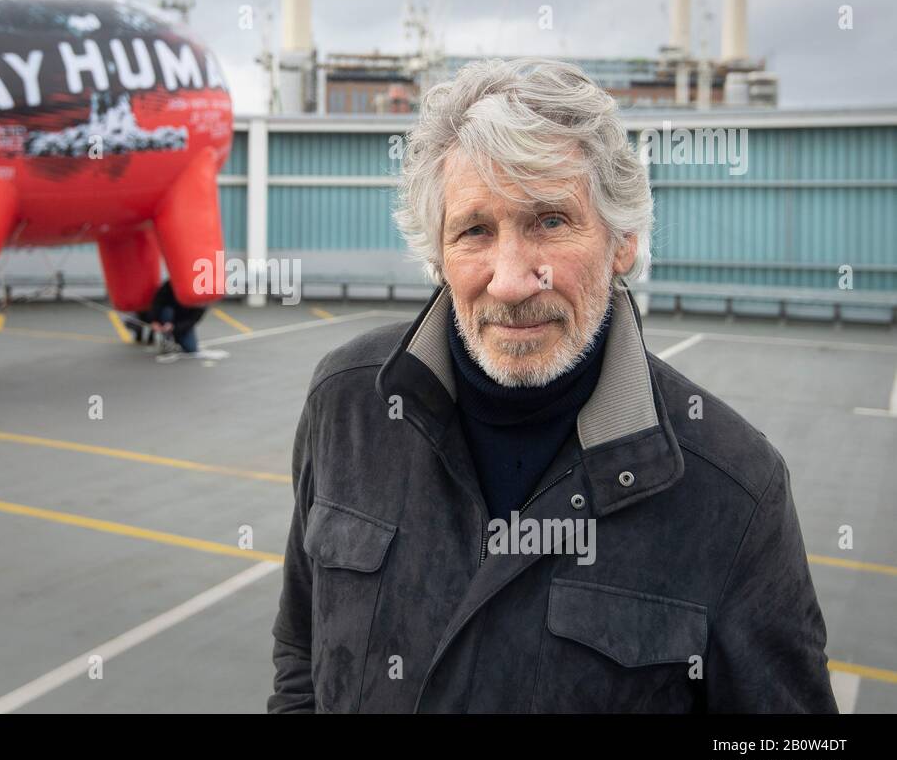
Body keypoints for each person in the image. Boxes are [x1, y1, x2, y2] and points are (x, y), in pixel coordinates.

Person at [268, 58, 836, 714]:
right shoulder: (347, 406)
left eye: (550, 222)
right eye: (475, 230)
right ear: (438, 252)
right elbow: (300, 664)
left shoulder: (736, 491)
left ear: (622, 241)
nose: (511, 281)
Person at [144, 278, 206, 354]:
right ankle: (166, 338)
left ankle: (176, 337)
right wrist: (154, 321)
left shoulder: (201, 297)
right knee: (168, 311)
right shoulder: (170, 284)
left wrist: (175, 327)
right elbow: (157, 303)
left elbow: (192, 321)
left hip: (181, 322)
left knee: (191, 349)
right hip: (168, 316)